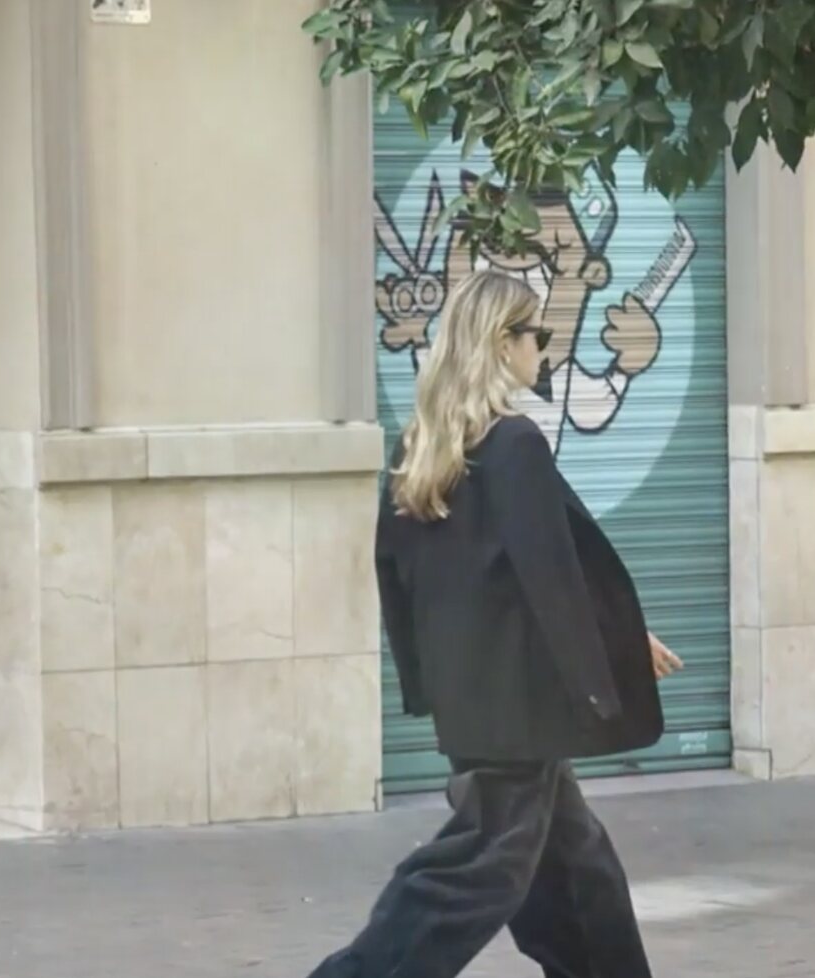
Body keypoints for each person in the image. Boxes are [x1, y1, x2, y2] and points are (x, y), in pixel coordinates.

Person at [307, 269, 683, 978]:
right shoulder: (513, 446)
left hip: (478, 700)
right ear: (502, 344)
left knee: (577, 870)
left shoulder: (425, 449)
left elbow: (399, 578)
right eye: (536, 334)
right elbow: (553, 576)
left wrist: (425, 683)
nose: (544, 346)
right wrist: (601, 682)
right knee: (473, 876)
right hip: (520, 708)